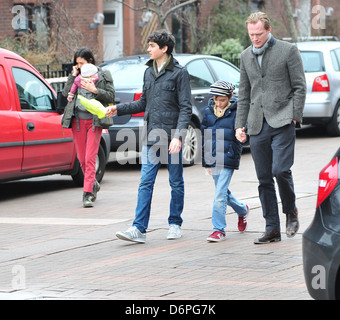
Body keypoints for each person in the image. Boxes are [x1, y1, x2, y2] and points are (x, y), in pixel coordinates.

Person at [106, 30, 192, 243]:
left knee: (176, 182)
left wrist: (178, 136)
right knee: (145, 182)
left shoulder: (179, 73)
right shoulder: (148, 72)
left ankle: (174, 223)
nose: (148, 49)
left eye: (152, 45)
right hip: (152, 135)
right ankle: (139, 229)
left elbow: (186, 108)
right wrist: (118, 109)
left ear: (164, 49)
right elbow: (143, 103)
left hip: (172, 136)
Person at [235, 12, 306, 244]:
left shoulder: (288, 51)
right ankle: (272, 228)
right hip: (257, 124)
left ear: (268, 29)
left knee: (280, 171)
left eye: (258, 34)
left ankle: (291, 211)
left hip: (282, 120)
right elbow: (244, 94)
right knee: (264, 178)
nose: (254, 38)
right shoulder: (245, 56)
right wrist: (240, 125)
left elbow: (299, 87)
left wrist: (294, 116)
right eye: (251, 34)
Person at [62, 47, 115, 208]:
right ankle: (93, 183)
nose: (78, 66)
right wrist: (72, 75)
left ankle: (88, 193)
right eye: (76, 64)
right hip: (77, 121)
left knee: (90, 157)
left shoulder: (102, 75)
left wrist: (95, 90)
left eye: (81, 63)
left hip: (94, 122)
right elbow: (66, 94)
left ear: (90, 61)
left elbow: (111, 95)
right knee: (82, 158)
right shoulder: (77, 76)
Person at [202, 80, 249, 242]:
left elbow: (244, 130)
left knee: (219, 195)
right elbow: (205, 137)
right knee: (222, 193)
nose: (219, 103)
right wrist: (206, 161)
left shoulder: (237, 112)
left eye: (222, 99)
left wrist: (243, 135)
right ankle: (242, 210)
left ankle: (218, 229)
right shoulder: (208, 112)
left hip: (229, 157)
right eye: (216, 99)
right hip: (213, 157)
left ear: (230, 97)